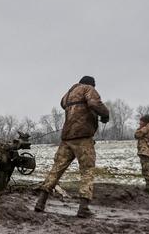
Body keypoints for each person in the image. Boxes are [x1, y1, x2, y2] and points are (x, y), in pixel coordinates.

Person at [34, 76, 109, 217]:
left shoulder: (68, 93)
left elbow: (63, 104)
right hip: (83, 137)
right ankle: (83, 208)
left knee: (56, 169)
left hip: (67, 137)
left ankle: (40, 202)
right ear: (92, 84)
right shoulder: (88, 89)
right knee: (87, 171)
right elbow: (94, 103)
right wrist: (105, 114)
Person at [135, 114, 149, 192]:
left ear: (145, 122)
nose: (139, 123)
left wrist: (139, 128)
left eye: (141, 121)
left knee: (145, 171)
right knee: (147, 170)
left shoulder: (146, 128)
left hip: (145, 152)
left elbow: (136, 135)